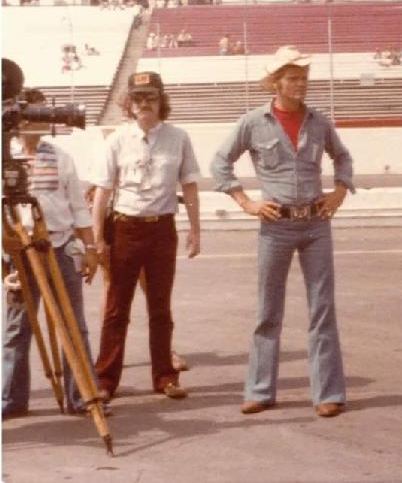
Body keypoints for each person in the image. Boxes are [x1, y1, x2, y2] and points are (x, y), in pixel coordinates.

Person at [210, 45, 353, 418]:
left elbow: (343, 157)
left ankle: (328, 393)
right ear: (275, 82)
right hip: (275, 226)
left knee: (322, 308)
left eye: (304, 79)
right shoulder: (253, 122)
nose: (300, 85)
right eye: (292, 79)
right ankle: (260, 390)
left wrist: (339, 190)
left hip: (316, 224)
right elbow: (220, 162)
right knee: (268, 309)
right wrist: (246, 203)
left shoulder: (319, 122)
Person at [91, 71, 201, 401]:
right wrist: (98, 237)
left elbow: (190, 185)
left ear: (161, 101)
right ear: (129, 103)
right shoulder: (116, 140)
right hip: (124, 228)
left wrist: (195, 229)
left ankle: (165, 376)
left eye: (150, 98)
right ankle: (106, 379)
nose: (144, 105)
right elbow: (102, 192)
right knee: (116, 308)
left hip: (161, 229)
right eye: (137, 98)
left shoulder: (178, 138)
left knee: (160, 308)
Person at [2, 84, 107, 418]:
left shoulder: (60, 157)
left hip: (58, 246)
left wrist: (90, 247)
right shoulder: (5, 156)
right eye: (26, 115)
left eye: (38, 115)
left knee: (73, 324)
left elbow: (78, 207)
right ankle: (11, 399)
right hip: (18, 250)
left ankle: (82, 396)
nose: (31, 122)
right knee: (17, 328)